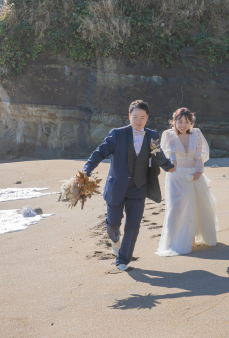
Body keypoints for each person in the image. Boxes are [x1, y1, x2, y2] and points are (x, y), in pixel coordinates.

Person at [82, 100, 175, 271]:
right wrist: (86, 170)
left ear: (147, 118)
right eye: (135, 117)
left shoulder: (152, 135)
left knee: (133, 224)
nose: (138, 121)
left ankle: (123, 259)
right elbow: (100, 152)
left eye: (142, 117)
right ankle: (115, 238)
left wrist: (169, 166)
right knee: (113, 224)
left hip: (138, 187)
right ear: (129, 116)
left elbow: (157, 153)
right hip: (116, 186)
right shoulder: (117, 134)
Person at [155, 107, 218, 256]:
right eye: (180, 121)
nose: (183, 125)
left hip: (194, 175)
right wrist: (173, 164)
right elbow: (169, 154)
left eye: (186, 122)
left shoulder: (196, 134)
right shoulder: (168, 135)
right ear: (174, 121)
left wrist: (199, 171)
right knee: (175, 208)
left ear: (191, 123)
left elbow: (199, 155)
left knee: (197, 207)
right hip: (175, 176)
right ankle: (172, 241)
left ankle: (193, 239)